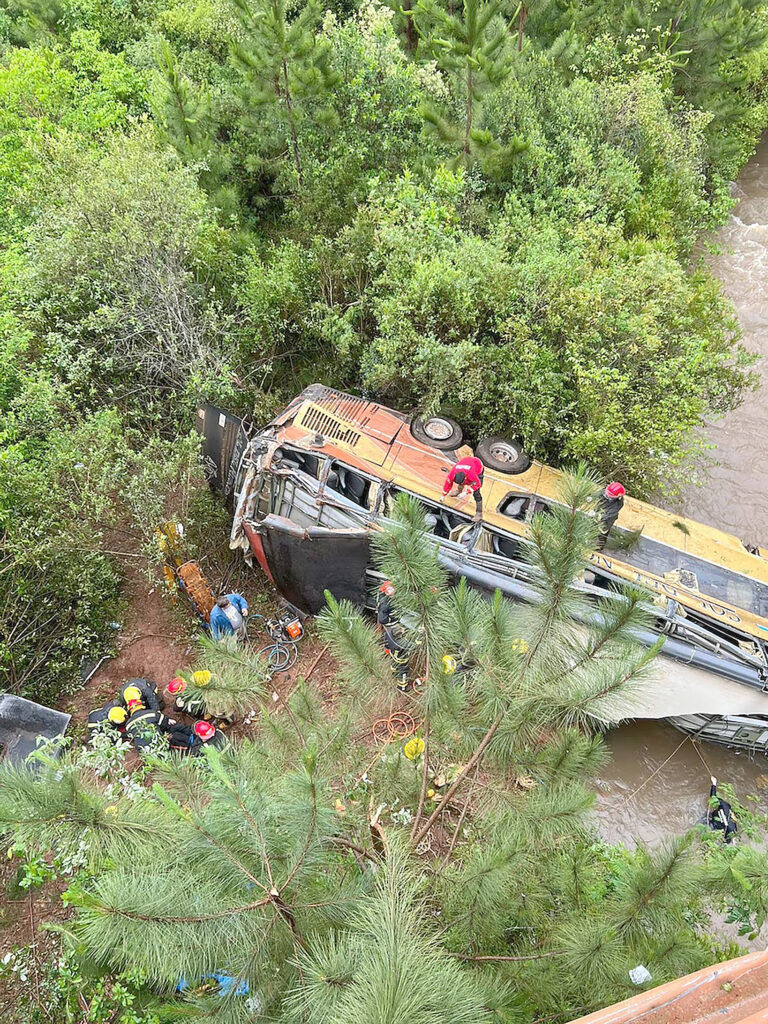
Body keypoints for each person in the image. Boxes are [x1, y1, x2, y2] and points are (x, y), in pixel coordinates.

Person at [442, 456, 485, 522]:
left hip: (477, 465)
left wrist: (466, 492)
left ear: (465, 478)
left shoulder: (472, 474)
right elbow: (448, 483)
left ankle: (479, 513)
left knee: (476, 493)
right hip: (466, 463)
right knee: (461, 483)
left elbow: (477, 484)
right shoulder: (452, 473)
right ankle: (459, 491)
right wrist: (443, 495)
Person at [594, 481, 626, 552]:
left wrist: (601, 518)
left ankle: (599, 546)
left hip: (608, 519)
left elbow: (609, 514)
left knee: (603, 531)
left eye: (610, 495)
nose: (606, 495)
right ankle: (590, 535)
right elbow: (599, 494)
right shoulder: (606, 491)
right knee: (593, 523)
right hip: (600, 510)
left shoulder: (617, 504)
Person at [707, 776, 737, 843]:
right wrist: (714, 784)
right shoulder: (733, 828)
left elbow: (713, 797)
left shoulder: (725, 806)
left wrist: (714, 783)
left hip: (711, 823)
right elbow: (727, 841)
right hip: (714, 826)